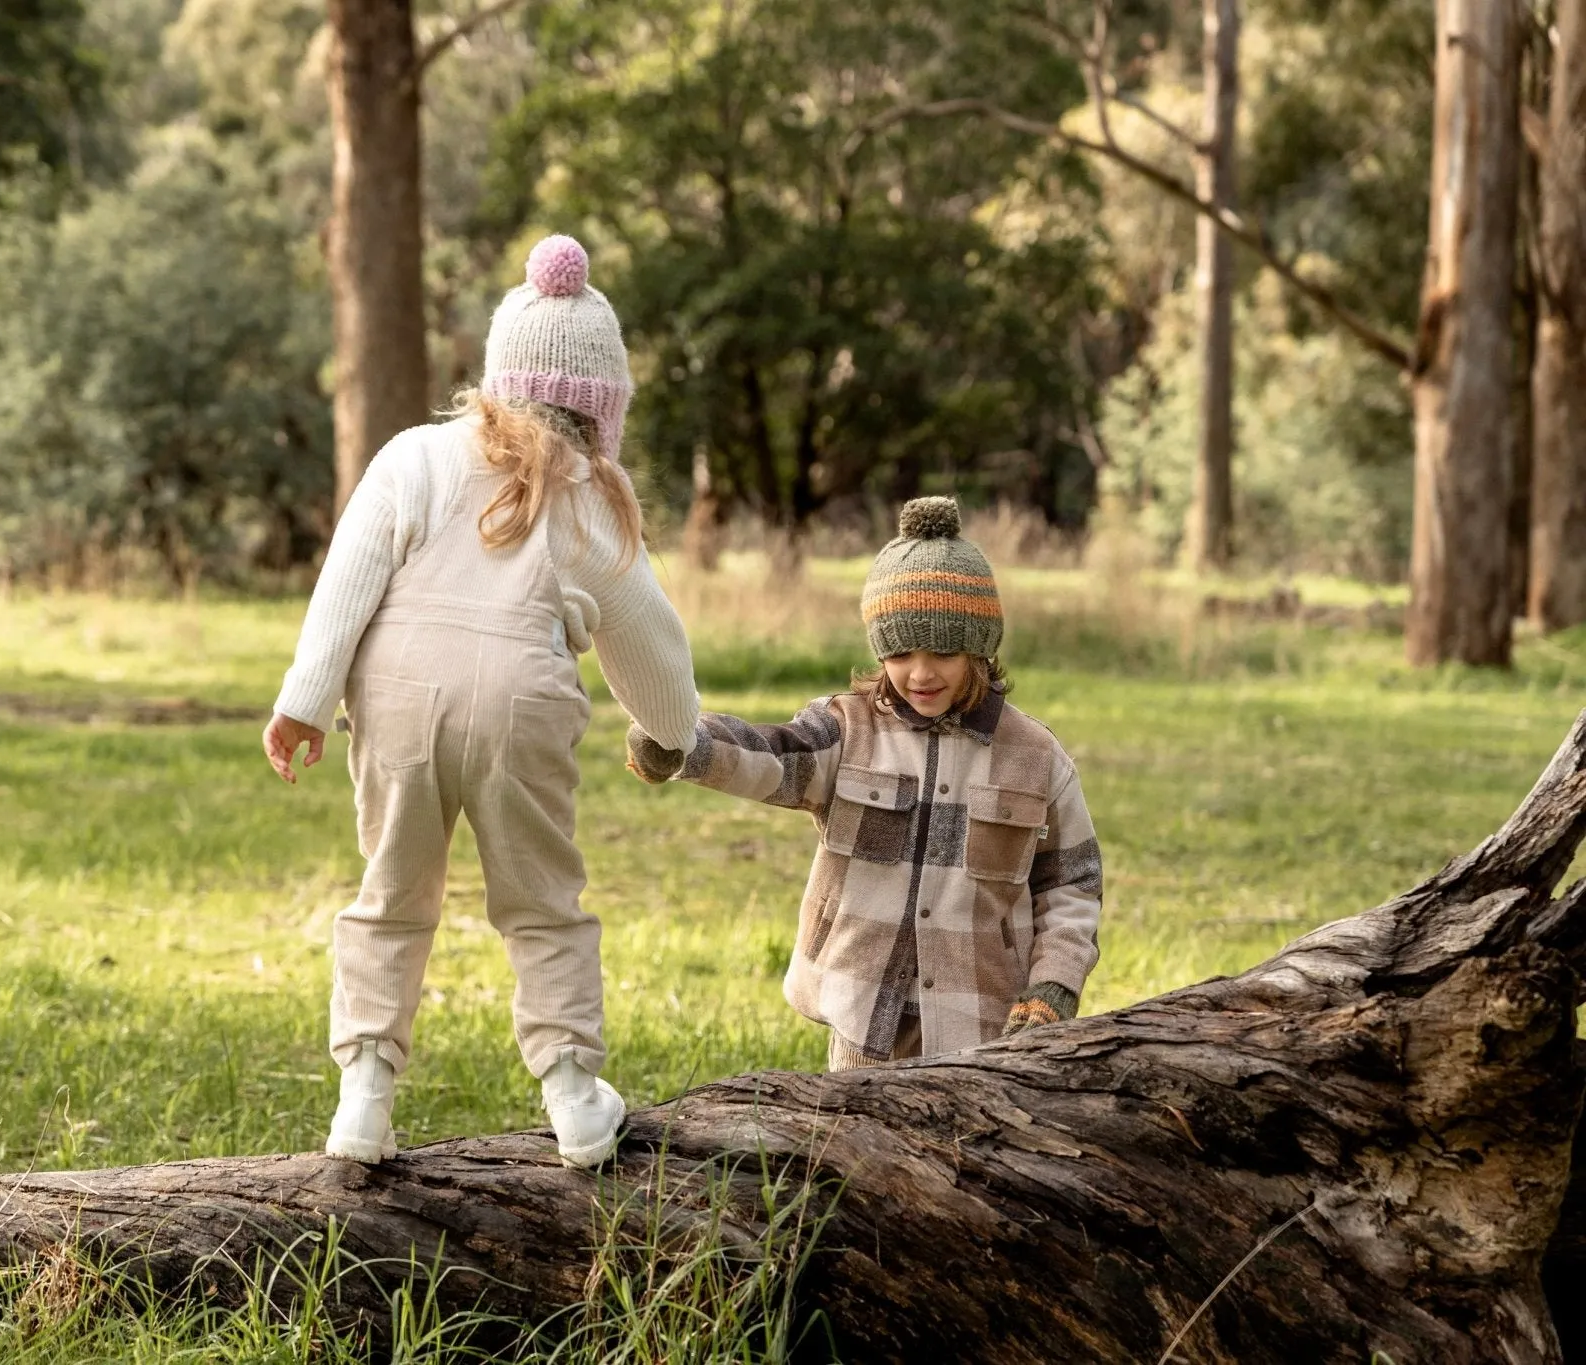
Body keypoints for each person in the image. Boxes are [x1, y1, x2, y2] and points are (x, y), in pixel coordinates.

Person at [263, 235, 699, 1165]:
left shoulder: (414, 455)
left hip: (399, 696)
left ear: (499, 375)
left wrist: (305, 698)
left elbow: (349, 580)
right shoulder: (591, 496)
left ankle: (365, 1095)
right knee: (542, 900)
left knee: (391, 891)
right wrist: (671, 733)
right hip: (520, 706)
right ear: (601, 406)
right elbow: (647, 634)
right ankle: (575, 1095)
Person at [625, 497, 1102, 1069]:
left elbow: (1072, 886)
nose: (920, 674)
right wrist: (682, 746)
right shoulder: (847, 732)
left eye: (944, 653)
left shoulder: (1035, 757)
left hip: (981, 1020)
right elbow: (770, 757)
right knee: (850, 1147)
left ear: (981, 650)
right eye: (900, 652)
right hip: (861, 1011)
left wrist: (1052, 987)